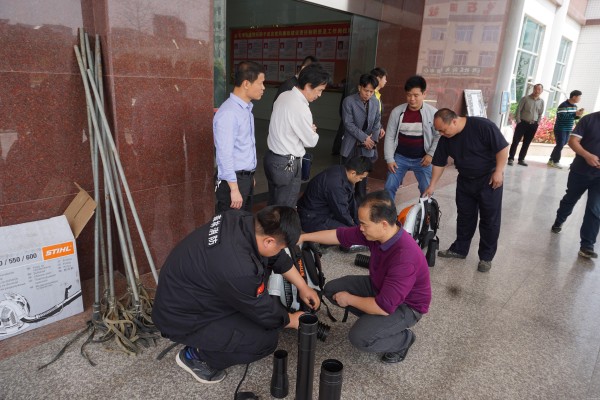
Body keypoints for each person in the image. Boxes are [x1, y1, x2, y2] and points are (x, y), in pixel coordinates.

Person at [153, 206, 320, 384]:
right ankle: (196, 357)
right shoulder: (239, 269)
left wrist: (303, 287)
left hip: (190, 293)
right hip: (181, 317)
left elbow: (276, 257)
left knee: (258, 305)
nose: (280, 251)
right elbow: (264, 312)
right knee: (265, 340)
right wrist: (293, 320)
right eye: (281, 247)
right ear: (269, 241)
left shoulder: (241, 219)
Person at [299, 191, 431, 364]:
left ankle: (404, 340)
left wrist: (350, 299)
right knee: (332, 289)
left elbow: (384, 307)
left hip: (406, 306)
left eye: (363, 224)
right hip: (379, 286)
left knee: (359, 337)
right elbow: (339, 235)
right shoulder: (377, 233)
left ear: (383, 224)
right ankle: (376, 323)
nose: (360, 228)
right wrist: (303, 237)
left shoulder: (404, 258)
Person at [423, 108, 509, 272]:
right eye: (438, 131)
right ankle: (460, 249)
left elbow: (502, 148)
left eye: (443, 129)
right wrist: (432, 185)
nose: (441, 133)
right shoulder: (446, 138)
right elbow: (439, 163)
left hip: (489, 180)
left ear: (454, 121)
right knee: (464, 217)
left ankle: (486, 257)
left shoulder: (483, 126)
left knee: (489, 219)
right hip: (465, 180)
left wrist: (499, 171)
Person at [265, 63, 330, 207]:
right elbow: (311, 141)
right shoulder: (300, 107)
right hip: (286, 164)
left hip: (272, 159)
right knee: (285, 209)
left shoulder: (284, 95)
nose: (320, 95)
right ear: (308, 86)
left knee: (273, 204)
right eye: (319, 90)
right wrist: (312, 132)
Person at [213, 61, 265, 213]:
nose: (263, 88)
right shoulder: (229, 113)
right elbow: (224, 154)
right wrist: (234, 189)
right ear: (246, 84)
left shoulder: (245, 109)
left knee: (243, 222)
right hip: (233, 182)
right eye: (260, 83)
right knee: (231, 224)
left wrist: (249, 176)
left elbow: (243, 147)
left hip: (244, 179)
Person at [551, 111, 600, 259]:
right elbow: (573, 141)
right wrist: (587, 155)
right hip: (580, 171)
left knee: (595, 208)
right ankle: (559, 221)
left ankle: (587, 246)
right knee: (570, 199)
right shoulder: (589, 119)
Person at [384, 75, 440, 200]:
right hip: (400, 158)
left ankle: (425, 212)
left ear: (424, 94)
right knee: (389, 187)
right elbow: (390, 136)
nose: (412, 99)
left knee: (427, 190)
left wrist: (430, 154)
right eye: (409, 95)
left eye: (416, 95)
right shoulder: (397, 112)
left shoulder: (433, 113)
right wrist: (389, 159)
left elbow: (439, 136)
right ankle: (389, 212)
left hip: (423, 159)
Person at [297, 155, 372, 232]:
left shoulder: (341, 171)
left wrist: (358, 221)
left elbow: (350, 202)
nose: (360, 180)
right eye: (361, 178)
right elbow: (341, 212)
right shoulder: (336, 184)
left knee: (351, 227)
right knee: (348, 232)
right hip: (311, 218)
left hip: (323, 211)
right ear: (353, 173)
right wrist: (356, 229)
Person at [340, 73, 382, 205]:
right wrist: (365, 138)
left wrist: (373, 140)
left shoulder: (375, 102)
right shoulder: (349, 101)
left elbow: (377, 122)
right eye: (366, 90)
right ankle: (345, 204)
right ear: (359, 87)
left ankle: (360, 206)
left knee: (362, 179)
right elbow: (348, 124)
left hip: (368, 146)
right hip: (352, 145)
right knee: (348, 177)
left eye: (371, 91)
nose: (368, 94)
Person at [508, 83, 545, 166]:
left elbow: (540, 113)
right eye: (535, 89)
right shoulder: (525, 99)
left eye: (539, 89)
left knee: (527, 142)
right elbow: (518, 110)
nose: (537, 91)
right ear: (533, 89)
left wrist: (538, 122)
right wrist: (518, 121)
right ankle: (511, 158)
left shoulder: (541, 102)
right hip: (523, 123)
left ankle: (521, 159)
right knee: (516, 141)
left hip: (533, 125)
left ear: (542, 91)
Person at [548, 90, 584, 169]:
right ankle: (555, 161)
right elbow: (561, 117)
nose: (580, 99)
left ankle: (551, 159)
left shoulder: (574, 106)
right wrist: (575, 113)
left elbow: (573, 117)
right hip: (560, 128)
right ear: (574, 97)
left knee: (562, 144)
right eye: (579, 97)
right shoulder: (563, 105)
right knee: (560, 144)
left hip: (568, 128)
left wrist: (578, 115)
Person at [370, 67, 388, 139]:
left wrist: (380, 127)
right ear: (378, 79)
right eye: (385, 78)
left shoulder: (377, 94)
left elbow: (376, 115)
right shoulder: (369, 95)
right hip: (368, 135)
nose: (386, 81)